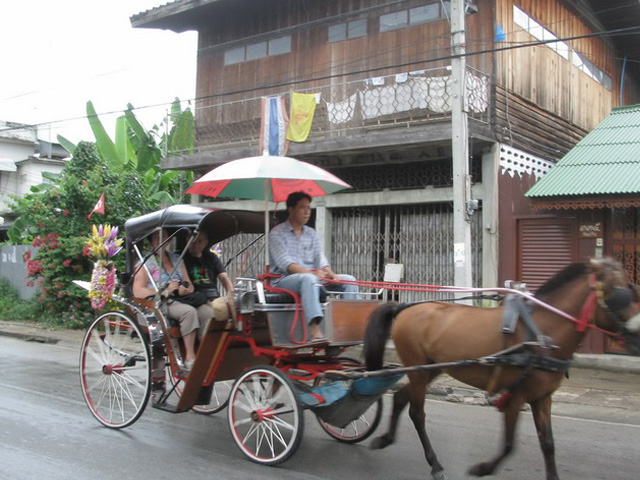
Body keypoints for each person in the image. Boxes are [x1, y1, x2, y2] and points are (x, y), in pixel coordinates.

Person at [268, 191, 358, 342]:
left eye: (309, 208)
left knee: (349, 280)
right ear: (291, 210)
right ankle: (315, 329)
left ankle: (346, 326)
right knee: (308, 279)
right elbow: (286, 264)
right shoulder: (277, 233)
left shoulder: (311, 233)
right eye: (302, 208)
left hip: (312, 278)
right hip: (284, 280)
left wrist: (330, 273)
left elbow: (320, 257)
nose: (307, 212)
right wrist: (313, 274)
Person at [132, 229, 213, 370]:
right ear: (152, 241)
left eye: (164, 236)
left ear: (169, 239)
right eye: (157, 237)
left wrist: (185, 288)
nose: (161, 240)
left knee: (208, 312)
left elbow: (189, 284)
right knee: (189, 313)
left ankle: (205, 352)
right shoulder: (146, 263)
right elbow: (137, 291)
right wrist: (164, 291)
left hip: (182, 298)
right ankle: (190, 357)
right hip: (159, 302)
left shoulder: (176, 259)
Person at [184, 231, 235, 316]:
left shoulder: (211, 257)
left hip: (214, 297)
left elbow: (223, 277)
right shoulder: (182, 258)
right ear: (187, 241)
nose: (196, 244)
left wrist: (231, 296)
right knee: (215, 312)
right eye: (193, 240)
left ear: (205, 243)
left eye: (200, 241)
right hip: (196, 298)